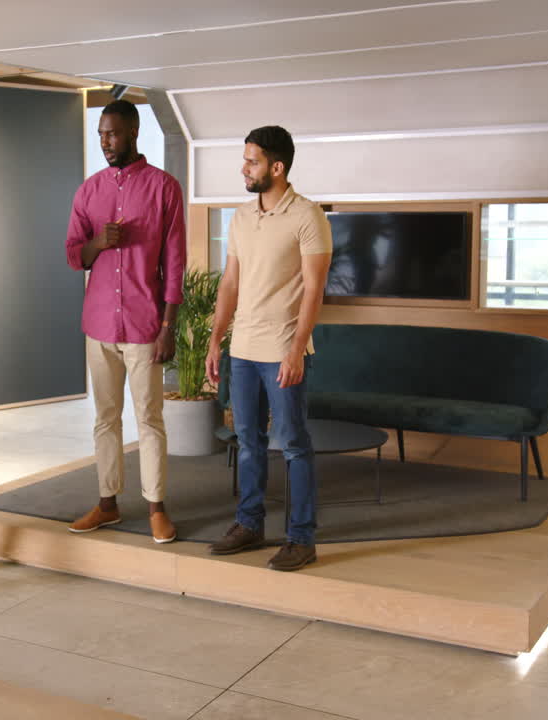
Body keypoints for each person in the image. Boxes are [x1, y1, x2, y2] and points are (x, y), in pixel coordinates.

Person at [205, 126, 332, 571]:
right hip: (243, 349)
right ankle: (250, 524)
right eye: (245, 159)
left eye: (252, 161)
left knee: (294, 444)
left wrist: (297, 349)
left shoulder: (308, 216)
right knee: (248, 441)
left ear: (277, 167)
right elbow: (230, 283)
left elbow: (314, 291)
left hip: (282, 349)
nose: (244, 167)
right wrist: (217, 337)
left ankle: (301, 538)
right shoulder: (240, 217)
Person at [64, 100, 186, 543]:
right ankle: (108, 503)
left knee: (149, 418)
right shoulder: (89, 191)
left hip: (145, 323)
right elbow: (74, 254)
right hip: (98, 323)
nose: (105, 142)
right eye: (100, 135)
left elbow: (175, 262)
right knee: (105, 418)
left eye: (112, 134)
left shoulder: (163, 188)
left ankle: (156, 507)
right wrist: (99, 243)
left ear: (133, 131)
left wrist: (169, 326)